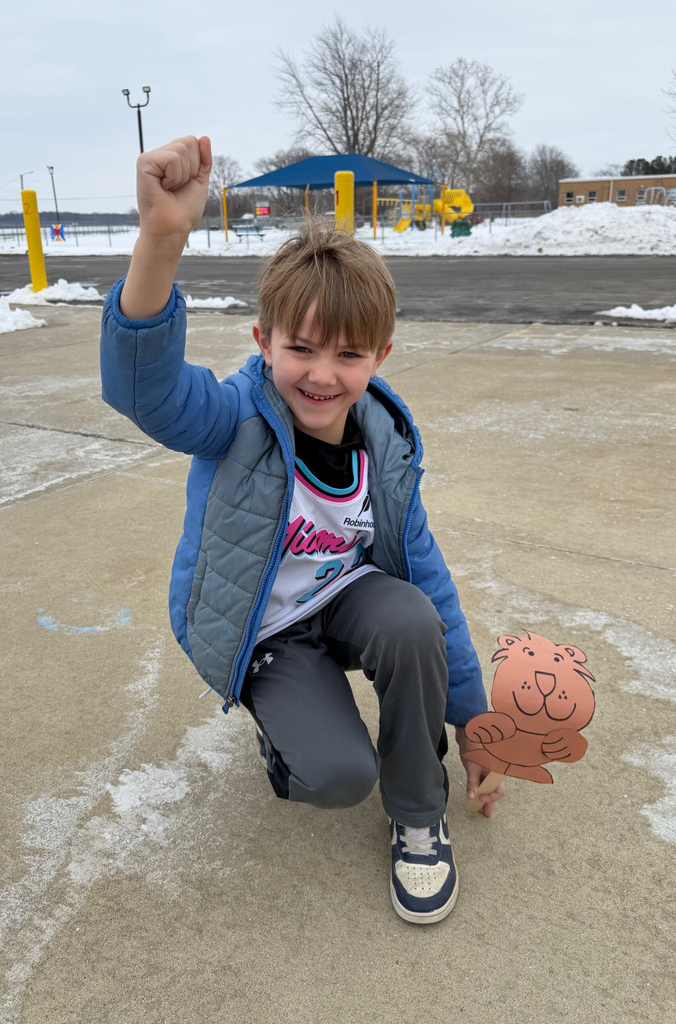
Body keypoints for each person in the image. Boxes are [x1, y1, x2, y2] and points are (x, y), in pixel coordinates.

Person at [100, 135, 504, 925]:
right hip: (269, 626)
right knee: (336, 776)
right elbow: (145, 392)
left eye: (348, 355)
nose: (322, 374)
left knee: (411, 616)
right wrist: (161, 238)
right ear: (263, 343)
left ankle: (419, 812)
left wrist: (473, 717)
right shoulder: (233, 417)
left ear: (379, 357)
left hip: (347, 600)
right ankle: (292, 731)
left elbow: (425, 573)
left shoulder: (384, 438)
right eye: (300, 349)